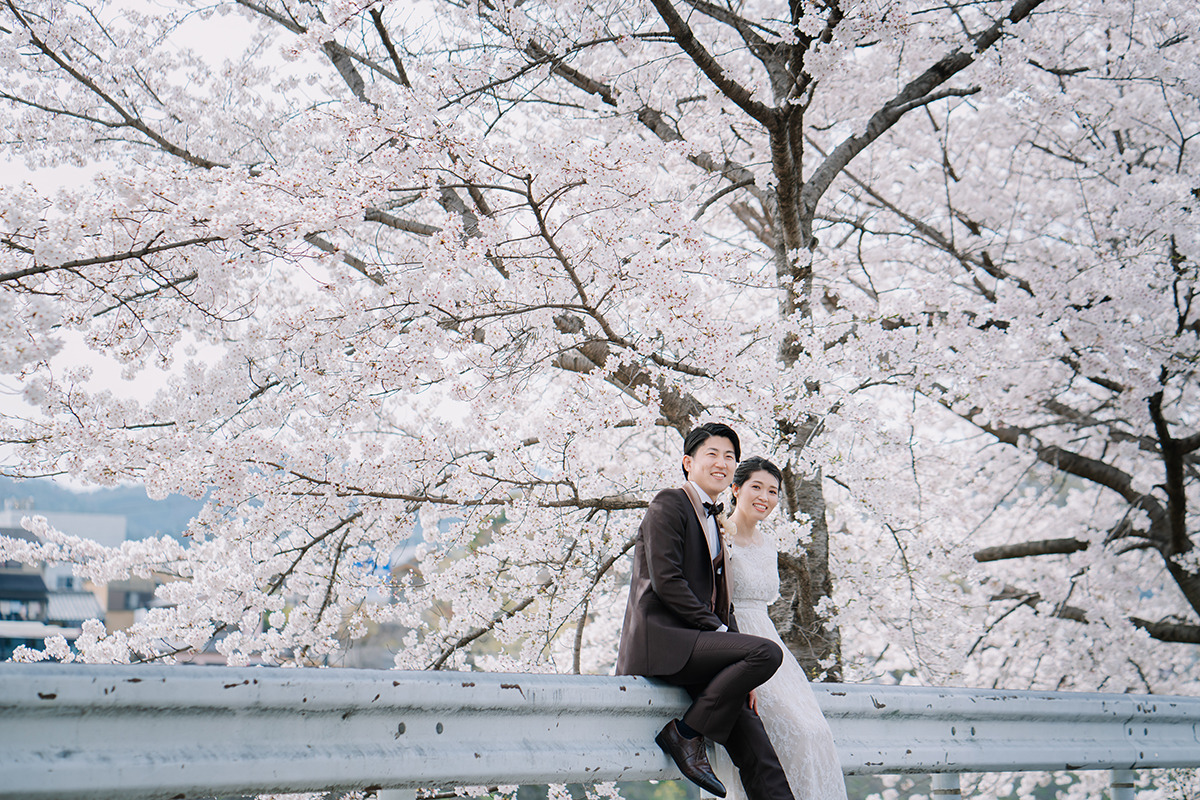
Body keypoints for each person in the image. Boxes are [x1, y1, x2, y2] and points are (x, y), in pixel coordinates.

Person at [616, 422, 796, 800]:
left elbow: (721, 599)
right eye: (712, 454)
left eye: (730, 456)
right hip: (664, 642)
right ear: (688, 462)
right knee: (765, 650)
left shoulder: (716, 518)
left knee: (760, 756)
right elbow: (668, 583)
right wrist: (725, 638)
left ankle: (688, 733)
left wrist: (738, 672)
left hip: (698, 650)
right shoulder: (669, 503)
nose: (722, 462)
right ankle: (685, 734)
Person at [712, 456, 848, 800]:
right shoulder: (718, 537)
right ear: (735, 488)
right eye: (756, 487)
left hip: (771, 643)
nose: (765, 497)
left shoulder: (768, 544)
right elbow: (714, 605)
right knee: (795, 733)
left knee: (816, 732)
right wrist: (736, 668)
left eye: (773, 491)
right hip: (737, 640)